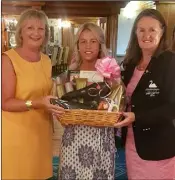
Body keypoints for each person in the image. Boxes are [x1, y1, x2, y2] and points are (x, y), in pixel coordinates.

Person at [2, 9, 65, 179]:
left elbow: (47, 94)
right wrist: (36, 103)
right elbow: (5, 102)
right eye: (30, 28)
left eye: (41, 29)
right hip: (17, 135)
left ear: (46, 33)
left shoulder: (46, 60)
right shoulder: (8, 59)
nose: (36, 33)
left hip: (42, 132)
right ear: (21, 32)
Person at [114, 9, 175, 179]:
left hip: (158, 145)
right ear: (135, 33)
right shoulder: (130, 63)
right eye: (141, 30)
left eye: (152, 30)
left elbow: (172, 108)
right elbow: (123, 97)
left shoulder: (170, 62)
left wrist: (137, 116)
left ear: (162, 32)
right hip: (132, 142)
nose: (146, 35)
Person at [59, 23, 116, 180]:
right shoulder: (71, 72)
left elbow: (118, 101)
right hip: (74, 137)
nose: (88, 46)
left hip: (101, 138)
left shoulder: (109, 70)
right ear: (77, 45)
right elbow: (63, 103)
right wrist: (60, 114)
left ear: (100, 44)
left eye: (93, 41)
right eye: (83, 41)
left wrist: (114, 82)